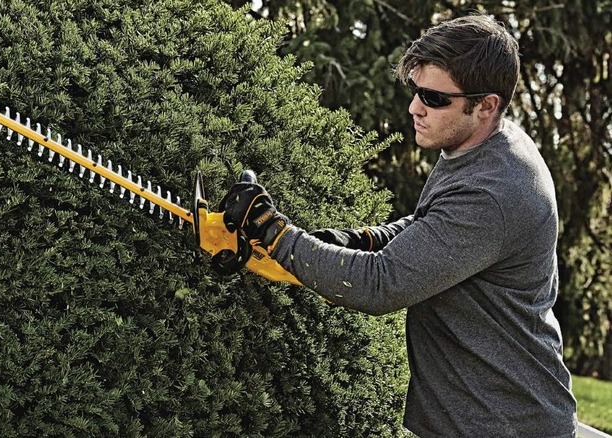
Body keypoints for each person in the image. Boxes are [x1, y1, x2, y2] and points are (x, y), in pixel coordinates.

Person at [219, 14, 577, 437]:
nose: (414, 107)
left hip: (502, 424)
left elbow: (378, 286)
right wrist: (363, 239)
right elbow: (434, 223)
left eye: (433, 97)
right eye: (415, 91)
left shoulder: (493, 192)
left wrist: (273, 233)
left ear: (485, 105)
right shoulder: (481, 147)